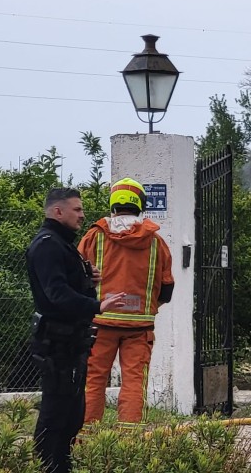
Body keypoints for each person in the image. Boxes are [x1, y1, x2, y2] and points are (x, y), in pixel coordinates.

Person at [26, 188, 126, 473]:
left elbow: (64, 288)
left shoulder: (61, 243)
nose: (82, 215)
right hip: (57, 344)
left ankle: (62, 464)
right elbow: (56, 294)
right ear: (58, 211)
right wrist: (98, 305)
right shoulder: (48, 245)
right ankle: (48, 466)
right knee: (56, 413)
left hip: (71, 342)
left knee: (72, 415)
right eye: (77, 210)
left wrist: (88, 281)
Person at [79, 178, 174, 427]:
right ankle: (129, 443)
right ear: (141, 205)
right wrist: (145, 308)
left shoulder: (94, 237)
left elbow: (75, 276)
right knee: (133, 383)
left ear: (113, 205)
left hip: (99, 324)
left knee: (93, 380)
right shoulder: (156, 242)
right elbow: (167, 288)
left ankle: (87, 440)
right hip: (139, 329)